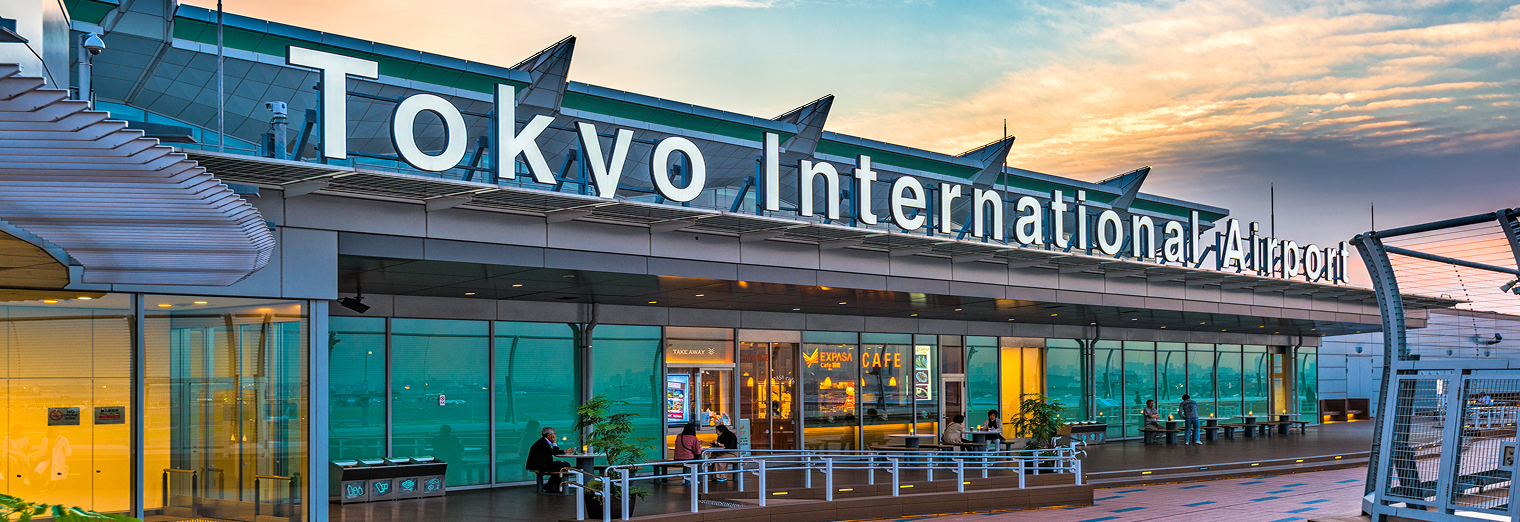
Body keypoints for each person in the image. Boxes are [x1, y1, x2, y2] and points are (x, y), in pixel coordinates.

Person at [526, 426, 570, 492]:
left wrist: (564, 451)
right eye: (554, 434)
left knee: (563, 466)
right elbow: (553, 452)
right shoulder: (542, 443)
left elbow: (551, 451)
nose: (555, 436)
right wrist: (554, 443)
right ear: (549, 435)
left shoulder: (543, 442)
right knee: (562, 467)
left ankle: (550, 486)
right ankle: (551, 486)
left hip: (542, 463)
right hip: (539, 465)